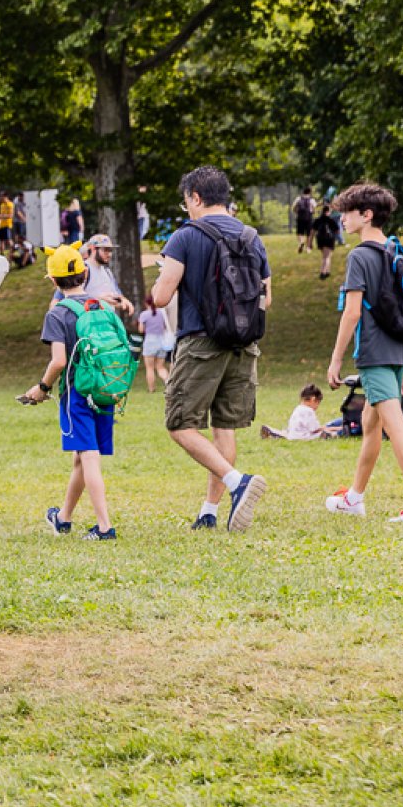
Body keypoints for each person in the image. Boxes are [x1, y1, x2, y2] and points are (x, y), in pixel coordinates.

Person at [148, 165, 269, 532]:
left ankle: (237, 483)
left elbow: (160, 296)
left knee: (179, 425)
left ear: (196, 197)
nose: (187, 208)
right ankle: (210, 512)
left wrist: (163, 273)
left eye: (187, 201)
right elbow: (266, 299)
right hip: (244, 344)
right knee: (224, 427)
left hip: (201, 342)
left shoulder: (185, 236)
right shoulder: (252, 237)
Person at [324, 183, 403, 523]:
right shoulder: (394, 252)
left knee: (394, 424)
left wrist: (335, 359)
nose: (342, 219)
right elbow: (400, 309)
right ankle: (354, 498)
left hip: (374, 353)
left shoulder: (359, 256)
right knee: (370, 423)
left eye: (347, 212)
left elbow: (353, 312)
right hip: (397, 352)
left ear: (367, 215)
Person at [26, 245, 120, 541]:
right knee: (83, 456)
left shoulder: (57, 314)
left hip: (77, 394)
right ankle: (63, 519)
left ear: (53, 281)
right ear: (85, 273)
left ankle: (104, 527)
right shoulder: (102, 307)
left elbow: (59, 361)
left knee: (88, 456)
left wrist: (42, 388)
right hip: (106, 390)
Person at [261, 384, 341, 440]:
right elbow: (315, 429)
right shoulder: (308, 411)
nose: (317, 407)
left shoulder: (298, 409)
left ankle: (276, 433)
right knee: (328, 434)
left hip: (292, 435)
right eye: (318, 403)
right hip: (304, 437)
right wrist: (335, 428)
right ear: (313, 399)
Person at [137, 303, 173, 392]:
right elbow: (165, 327)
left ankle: (151, 389)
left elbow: (141, 329)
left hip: (150, 341)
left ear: (147, 303)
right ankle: (169, 384)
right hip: (161, 341)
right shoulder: (162, 313)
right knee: (160, 367)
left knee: (150, 368)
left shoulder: (144, 314)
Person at [312, 204, 340, 278]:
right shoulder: (331, 220)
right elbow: (337, 231)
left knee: (327, 256)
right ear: (328, 211)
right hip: (329, 239)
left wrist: (309, 243)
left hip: (320, 239)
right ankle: (323, 272)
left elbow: (313, 232)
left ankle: (328, 271)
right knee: (326, 257)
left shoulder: (318, 220)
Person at [293, 187, 317, 253]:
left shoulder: (298, 198)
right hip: (309, 218)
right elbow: (314, 208)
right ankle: (308, 248)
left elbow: (294, 207)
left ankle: (301, 242)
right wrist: (313, 212)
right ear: (310, 192)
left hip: (300, 218)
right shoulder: (311, 200)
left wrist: (296, 212)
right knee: (309, 234)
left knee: (300, 232)